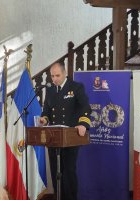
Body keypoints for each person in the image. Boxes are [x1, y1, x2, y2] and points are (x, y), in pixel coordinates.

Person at [39, 62, 91, 200]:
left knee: (68, 172)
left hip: (70, 137)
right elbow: (46, 111)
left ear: (65, 73)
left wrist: (83, 124)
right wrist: (44, 119)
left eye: (57, 75)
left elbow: (85, 107)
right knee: (56, 172)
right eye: (52, 76)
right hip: (54, 138)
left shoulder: (75, 87)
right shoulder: (50, 90)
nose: (54, 79)